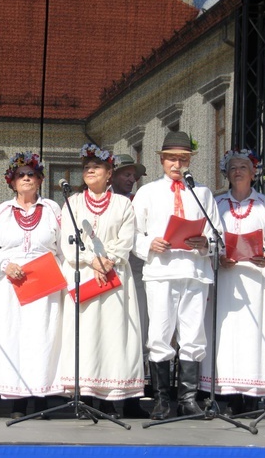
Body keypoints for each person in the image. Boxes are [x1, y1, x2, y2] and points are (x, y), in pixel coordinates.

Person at [198, 149, 265, 414]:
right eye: (232, 168)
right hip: (227, 281)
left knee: (255, 334)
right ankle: (226, 396)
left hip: (255, 282)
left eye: (243, 167)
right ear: (226, 174)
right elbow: (208, 239)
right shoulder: (217, 205)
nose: (238, 172)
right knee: (226, 335)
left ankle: (255, 395)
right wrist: (219, 257)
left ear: (254, 174)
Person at [131, 130, 222, 419]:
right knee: (159, 334)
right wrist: (149, 243)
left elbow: (218, 236)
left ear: (190, 161)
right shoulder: (147, 192)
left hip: (194, 270)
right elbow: (131, 235)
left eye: (182, 159)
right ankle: (161, 398)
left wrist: (207, 244)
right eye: (171, 158)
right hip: (161, 270)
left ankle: (189, 398)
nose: (177, 164)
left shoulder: (203, 192)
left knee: (194, 335)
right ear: (162, 160)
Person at [57, 144, 144, 418]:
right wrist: (91, 260)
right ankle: (85, 396)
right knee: (86, 333)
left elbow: (126, 238)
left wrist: (108, 260)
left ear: (109, 173)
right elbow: (66, 241)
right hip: (83, 272)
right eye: (86, 167)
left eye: (97, 166)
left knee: (111, 334)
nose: (90, 170)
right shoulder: (72, 203)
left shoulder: (123, 204)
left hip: (114, 275)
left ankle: (108, 398)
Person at [0, 152, 64, 418]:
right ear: (12, 182)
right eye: (21, 175)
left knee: (42, 338)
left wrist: (58, 275)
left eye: (31, 174)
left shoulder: (52, 209)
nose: (26, 178)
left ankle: (41, 399)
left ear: (40, 180)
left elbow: (64, 249)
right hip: (11, 284)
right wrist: (5, 265)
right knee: (15, 337)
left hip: (45, 282)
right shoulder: (3, 212)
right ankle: (18, 402)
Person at [111, 154, 150, 418]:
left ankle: (134, 398)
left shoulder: (140, 202)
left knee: (137, 335)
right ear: (110, 175)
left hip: (137, 273)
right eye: (125, 173)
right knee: (111, 334)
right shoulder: (103, 202)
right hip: (107, 271)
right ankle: (103, 397)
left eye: (133, 175)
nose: (131, 178)